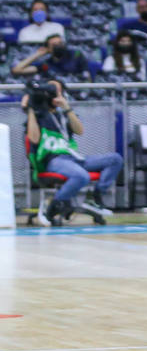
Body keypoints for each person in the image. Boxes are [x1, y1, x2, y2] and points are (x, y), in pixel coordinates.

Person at [24, 80, 121, 226]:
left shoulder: (64, 114)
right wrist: (31, 109)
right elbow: (33, 139)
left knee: (115, 159)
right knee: (81, 175)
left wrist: (67, 108)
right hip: (54, 160)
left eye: (57, 91)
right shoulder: (39, 114)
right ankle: (51, 210)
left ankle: (94, 198)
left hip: (74, 157)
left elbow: (79, 131)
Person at [13, 33, 87, 79]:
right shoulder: (45, 65)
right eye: (54, 45)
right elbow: (17, 70)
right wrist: (37, 54)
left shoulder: (75, 56)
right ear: (48, 49)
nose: (59, 46)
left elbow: (87, 76)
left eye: (60, 43)